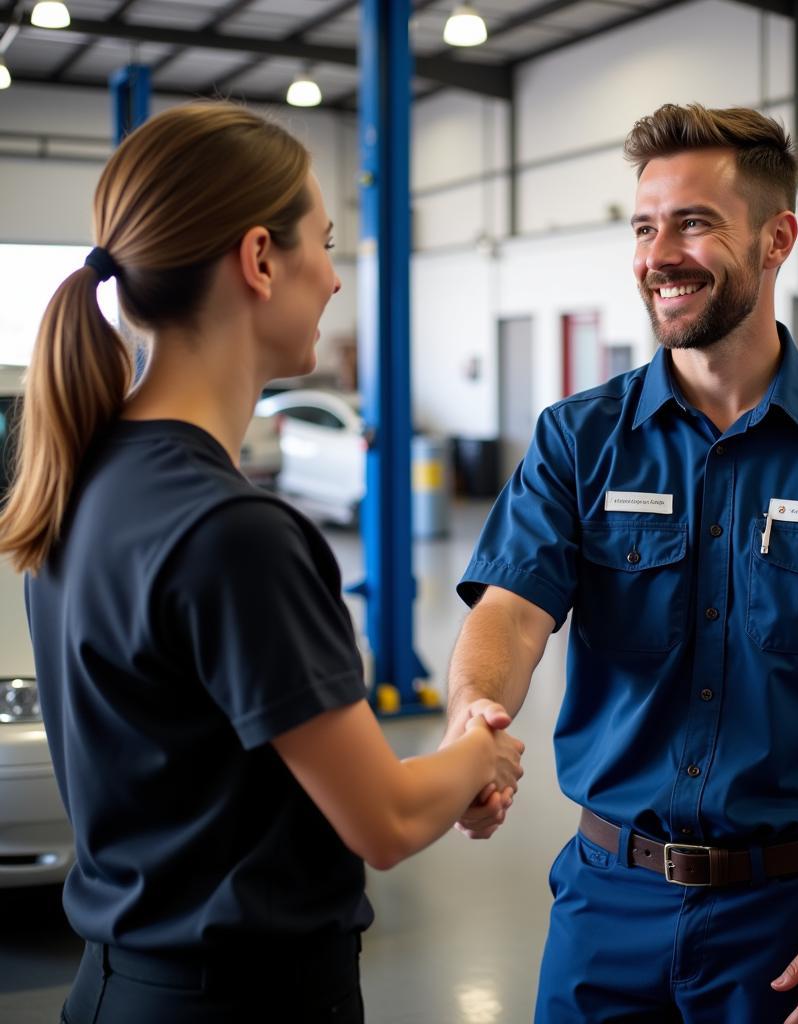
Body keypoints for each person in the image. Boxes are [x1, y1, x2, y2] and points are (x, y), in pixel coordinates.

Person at [442, 103, 798, 1024]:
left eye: (694, 223)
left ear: (777, 240)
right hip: (605, 904)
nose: (660, 255)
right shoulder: (580, 440)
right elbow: (511, 611)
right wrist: (473, 720)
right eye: (647, 227)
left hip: (790, 919)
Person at [0, 101, 523, 1024]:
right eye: (322, 243)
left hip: (117, 988)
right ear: (258, 260)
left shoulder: (83, 479)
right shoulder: (233, 533)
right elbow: (388, 822)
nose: (331, 279)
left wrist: (450, 776)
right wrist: (478, 750)